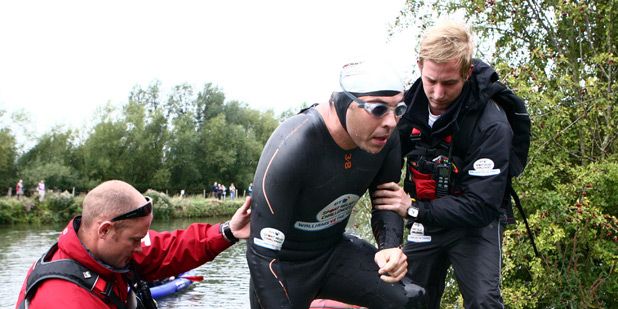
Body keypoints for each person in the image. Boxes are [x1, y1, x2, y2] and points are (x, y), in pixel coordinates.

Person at [246, 59, 424, 309]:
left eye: (398, 109)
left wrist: (390, 247)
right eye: (378, 110)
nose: (391, 122)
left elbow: (387, 201)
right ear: (345, 104)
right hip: (283, 266)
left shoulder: (386, 139)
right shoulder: (294, 146)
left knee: (410, 299)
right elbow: (261, 254)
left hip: (334, 253)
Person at [372, 21, 512, 308]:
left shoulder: (492, 125)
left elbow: (482, 206)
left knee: (483, 300)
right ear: (420, 66)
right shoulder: (403, 113)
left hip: (476, 225)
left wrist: (412, 208)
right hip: (427, 220)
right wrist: (391, 245)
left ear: (467, 72)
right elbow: (385, 187)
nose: (437, 94)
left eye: (449, 83)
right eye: (430, 81)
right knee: (405, 295)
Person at [16, 179, 251, 309]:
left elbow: (168, 247)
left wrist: (229, 231)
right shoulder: (63, 301)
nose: (141, 248)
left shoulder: (106, 252)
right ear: (105, 229)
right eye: (136, 240)